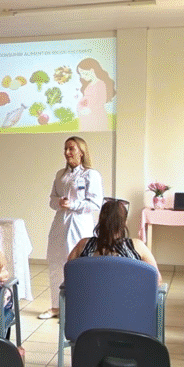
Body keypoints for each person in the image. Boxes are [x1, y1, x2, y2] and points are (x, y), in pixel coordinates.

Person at [42, 136, 103, 319]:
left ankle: (78, 307)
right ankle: (56, 306)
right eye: (65, 149)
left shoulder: (91, 175)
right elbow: (52, 200)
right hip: (60, 223)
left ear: (81, 152)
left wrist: (74, 205)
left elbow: (95, 203)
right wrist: (59, 202)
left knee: (77, 264)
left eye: (71, 149)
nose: (67, 153)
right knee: (55, 262)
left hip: (79, 224)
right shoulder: (60, 174)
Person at [67, 199, 162, 283]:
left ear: (100, 221)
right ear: (124, 223)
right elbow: (157, 280)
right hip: (127, 302)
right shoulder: (137, 246)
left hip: (89, 302)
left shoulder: (83, 245)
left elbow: (69, 276)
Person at [75, 57, 117, 132]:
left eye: (84, 73)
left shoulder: (101, 84)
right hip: (87, 117)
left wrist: (90, 109)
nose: (82, 76)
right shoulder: (88, 85)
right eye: (80, 74)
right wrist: (80, 107)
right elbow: (85, 99)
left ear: (92, 70)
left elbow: (101, 101)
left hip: (96, 116)